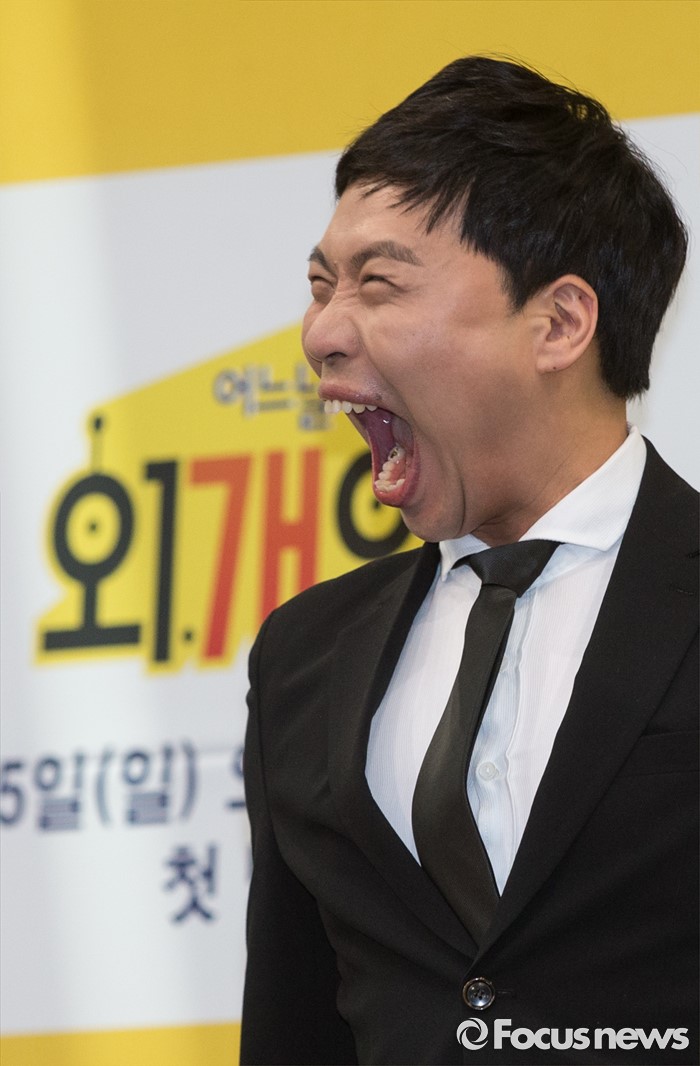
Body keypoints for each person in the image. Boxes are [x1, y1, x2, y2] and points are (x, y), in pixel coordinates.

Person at [240, 56, 698, 1065]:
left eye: (378, 284)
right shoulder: (302, 656)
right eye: (319, 287)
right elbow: (294, 1019)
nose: (321, 333)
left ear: (560, 322)